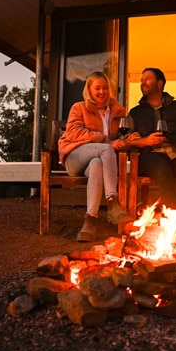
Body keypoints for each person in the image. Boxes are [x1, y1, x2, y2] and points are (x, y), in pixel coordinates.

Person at [58, 71, 134, 242]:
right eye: (97, 88)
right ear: (89, 90)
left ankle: (90, 220)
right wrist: (101, 139)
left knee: (97, 163)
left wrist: (127, 139)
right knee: (106, 150)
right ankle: (113, 203)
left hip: (95, 160)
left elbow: (121, 136)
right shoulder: (79, 107)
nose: (102, 92)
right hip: (74, 156)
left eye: (105, 88)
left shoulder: (116, 112)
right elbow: (72, 133)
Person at [127, 67, 176, 209]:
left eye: (148, 79)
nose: (143, 83)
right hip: (152, 154)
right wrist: (135, 139)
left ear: (160, 83)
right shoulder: (135, 113)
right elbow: (125, 138)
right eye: (142, 80)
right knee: (162, 170)